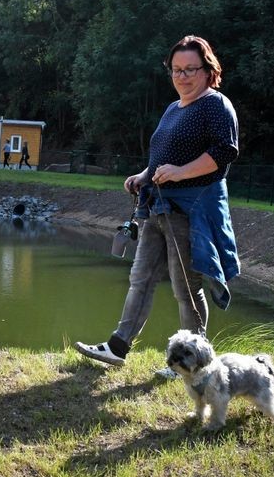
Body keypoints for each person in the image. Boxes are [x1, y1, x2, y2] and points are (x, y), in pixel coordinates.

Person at [74, 35, 240, 378]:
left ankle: (194, 362)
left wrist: (180, 173)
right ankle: (118, 347)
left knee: (185, 289)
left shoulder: (216, 105)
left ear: (208, 70)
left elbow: (224, 153)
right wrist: (143, 175)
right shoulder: (172, 108)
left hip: (190, 211)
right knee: (140, 278)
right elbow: (162, 157)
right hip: (157, 207)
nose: (182, 76)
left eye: (190, 69)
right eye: (176, 69)